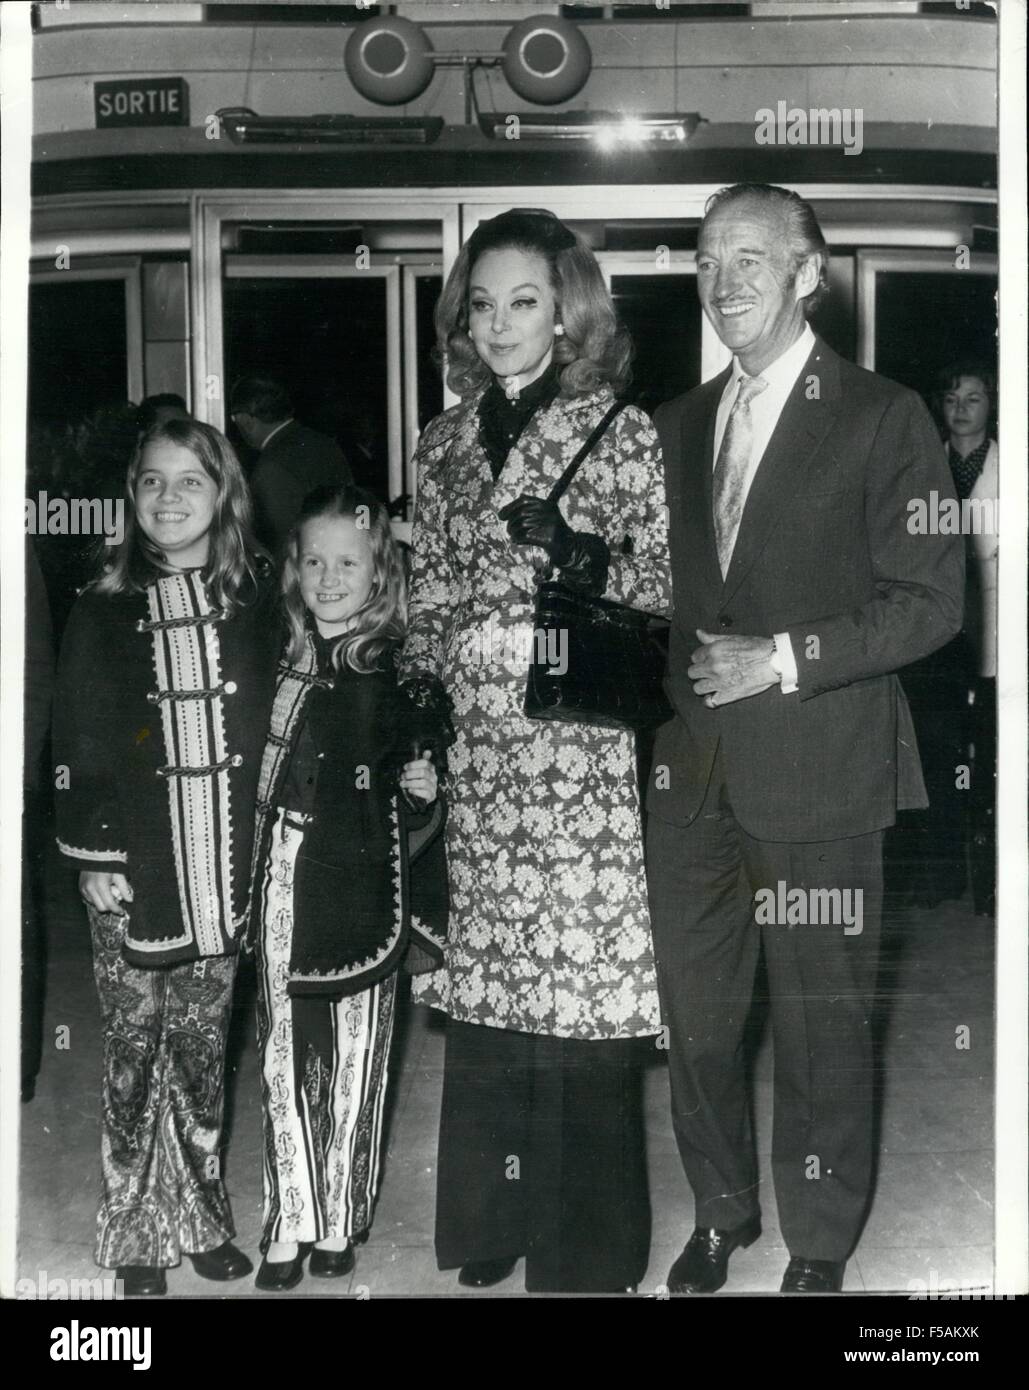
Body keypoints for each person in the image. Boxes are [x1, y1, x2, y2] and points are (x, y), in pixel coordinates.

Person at [647, 183, 965, 1295]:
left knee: (825, 1024)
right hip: (689, 779)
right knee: (698, 1017)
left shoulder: (883, 415)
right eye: (705, 259)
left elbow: (932, 602)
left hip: (824, 770)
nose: (724, 280)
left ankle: (820, 1239)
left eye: (749, 257)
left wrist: (783, 655)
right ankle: (721, 1212)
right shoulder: (678, 424)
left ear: (806, 274)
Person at [400, 208, 671, 1294]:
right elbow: (428, 599)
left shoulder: (623, 430)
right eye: (483, 304)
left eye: (524, 301)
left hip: (577, 756)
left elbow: (665, 594)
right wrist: (421, 697)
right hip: (481, 756)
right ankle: (490, 1217)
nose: (502, 323)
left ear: (567, 310)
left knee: (581, 988)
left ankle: (586, 1247)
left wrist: (579, 551)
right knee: (493, 989)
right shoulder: (443, 442)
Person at [52, 418, 280, 1296]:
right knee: (131, 1046)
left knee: (198, 1045)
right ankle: (135, 1228)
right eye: (152, 481)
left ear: (224, 493)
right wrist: (95, 852)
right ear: (131, 495)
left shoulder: (261, 596)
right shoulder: (102, 604)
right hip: (132, 866)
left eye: (191, 480)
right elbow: (75, 736)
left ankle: (201, 1215)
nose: (170, 497)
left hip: (222, 865)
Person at [249, 485, 447, 1292]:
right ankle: (287, 1219)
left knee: (360, 1056)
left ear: (379, 574)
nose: (330, 578)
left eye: (350, 563)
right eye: (315, 561)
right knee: (281, 1052)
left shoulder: (396, 674)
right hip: (281, 878)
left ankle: (337, 1213)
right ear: (294, 569)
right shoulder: (274, 662)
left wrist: (424, 786)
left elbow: (417, 794)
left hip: (366, 880)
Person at [938, 362, 998, 915]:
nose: (960, 407)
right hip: (939, 637)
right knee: (941, 755)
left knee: (989, 762)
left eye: (973, 397)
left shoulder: (1008, 466)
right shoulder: (927, 462)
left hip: (995, 634)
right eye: (953, 396)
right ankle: (942, 877)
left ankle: (994, 884)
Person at [230, 375, 352, 551]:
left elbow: (280, 545)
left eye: (235, 419)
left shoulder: (271, 467)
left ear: (246, 420)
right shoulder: (323, 443)